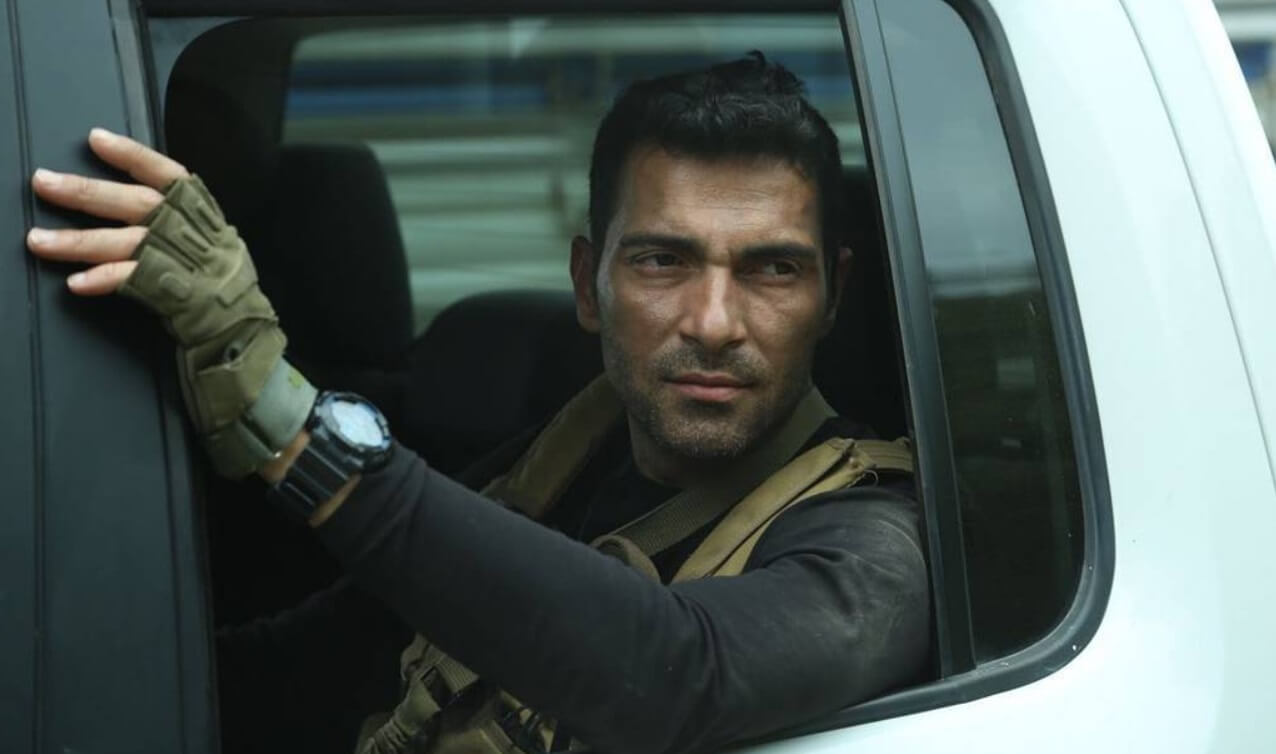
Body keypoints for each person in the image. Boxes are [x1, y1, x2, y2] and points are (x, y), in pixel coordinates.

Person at [25, 56, 929, 754]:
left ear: (833, 297)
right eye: (662, 260)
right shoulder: (560, 461)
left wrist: (276, 407)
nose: (715, 322)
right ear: (588, 283)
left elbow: (677, 671)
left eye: (773, 269)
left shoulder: (876, 544)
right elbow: (305, 668)